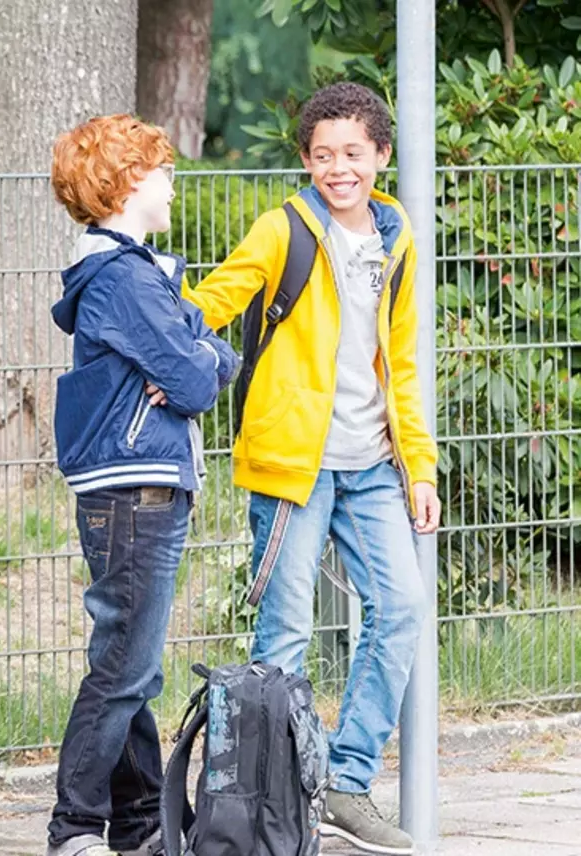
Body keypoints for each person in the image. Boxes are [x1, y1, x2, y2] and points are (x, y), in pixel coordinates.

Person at [185, 81, 441, 856]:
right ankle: (274, 806)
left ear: (380, 157)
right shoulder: (282, 229)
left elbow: (401, 365)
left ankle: (345, 784)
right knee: (285, 634)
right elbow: (214, 302)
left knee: (400, 609)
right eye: (323, 155)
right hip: (292, 467)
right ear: (306, 160)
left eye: (353, 155)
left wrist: (419, 468)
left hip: (370, 465)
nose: (339, 168)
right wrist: (155, 342)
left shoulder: (397, 239)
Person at [44, 115, 240, 856]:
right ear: (127, 185)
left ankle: (139, 827)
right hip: (136, 492)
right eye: (161, 170)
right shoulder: (123, 280)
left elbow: (212, 351)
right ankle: (75, 828)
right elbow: (195, 375)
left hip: (141, 490)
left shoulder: (138, 272)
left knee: (134, 664)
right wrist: (197, 363)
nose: (171, 182)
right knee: (123, 668)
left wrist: (201, 359)